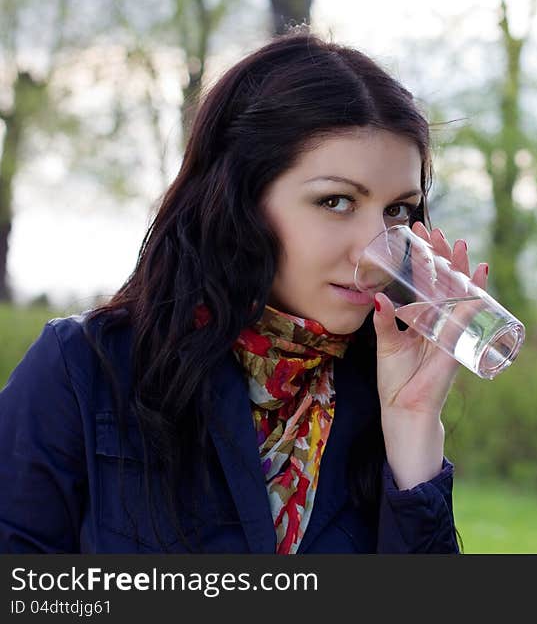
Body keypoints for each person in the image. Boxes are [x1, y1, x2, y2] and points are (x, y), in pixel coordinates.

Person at [0, 27, 489, 553]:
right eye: (336, 202)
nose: (374, 251)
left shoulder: (380, 398)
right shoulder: (86, 370)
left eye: (397, 211)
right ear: (240, 200)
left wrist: (413, 427)